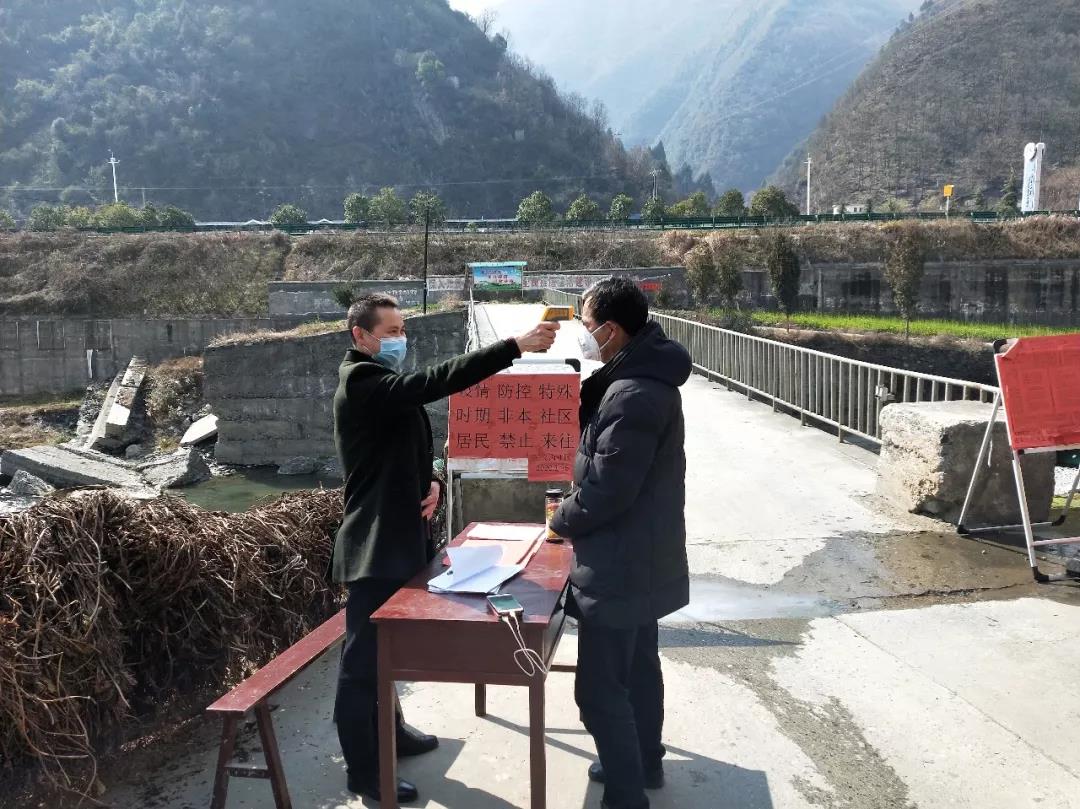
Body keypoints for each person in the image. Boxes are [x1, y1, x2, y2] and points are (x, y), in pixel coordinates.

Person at [332, 293, 558, 803]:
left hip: (401, 536)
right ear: (360, 336)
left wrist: (430, 480)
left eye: (402, 329)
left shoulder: (383, 383)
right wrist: (513, 347)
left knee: (387, 650)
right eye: (390, 332)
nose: (400, 339)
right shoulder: (361, 381)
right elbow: (433, 382)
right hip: (374, 545)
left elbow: (405, 446)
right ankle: (363, 770)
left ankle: (394, 733)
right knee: (361, 662)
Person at [549, 277, 691, 809]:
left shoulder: (631, 395)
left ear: (611, 330)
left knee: (599, 691)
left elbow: (608, 490)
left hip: (619, 564)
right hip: (642, 555)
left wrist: (560, 520)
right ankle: (644, 762)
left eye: (587, 325)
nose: (584, 335)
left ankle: (626, 796)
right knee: (638, 672)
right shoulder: (641, 378)